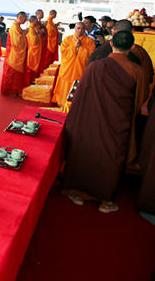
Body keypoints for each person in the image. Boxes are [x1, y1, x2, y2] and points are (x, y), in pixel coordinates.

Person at [62, 31, 149, 213]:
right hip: (118, 123)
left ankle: (77, 193)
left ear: (111, 44)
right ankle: (105, 201)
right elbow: (141, 98)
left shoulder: (95, 66)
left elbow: (81, 94)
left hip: (91, 119)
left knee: (86, 151)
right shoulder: (137, 71)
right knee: (112, 156)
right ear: (132, 47)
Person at [87, 20, 154, 87]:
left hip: (100, 94)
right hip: (129, 95)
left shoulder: (99, 51)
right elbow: (147, 79)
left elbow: (88, 77)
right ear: (133, 31)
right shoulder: (139, 52)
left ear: (114, 30)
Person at [52, 22, 96, 106]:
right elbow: (63, 52)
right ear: (75, 29)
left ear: (85, 29)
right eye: (78, 28)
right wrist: (74, 47)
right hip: (67, 69)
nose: (80, 30)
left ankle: (76, 105)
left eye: (83, 28)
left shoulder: (89, 41)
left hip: (80, 69)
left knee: (78, 87)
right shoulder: (67, 39)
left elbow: (91, 54)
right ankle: (62, 102)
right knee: (65, 86)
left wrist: (81, 48)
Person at [0, 12, 29, 96]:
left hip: (15, 54)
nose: (25, 20)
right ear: (20, 17)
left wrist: (23, 33)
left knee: (15, 74)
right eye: (25, 18)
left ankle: (15, 90)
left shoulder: (17, 27)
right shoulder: (14, 27)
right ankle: (9, 91)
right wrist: (24, 34)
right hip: (13, 55)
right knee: (11, 73)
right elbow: (17, 42)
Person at [26, 16, 44, 83]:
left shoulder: (33, 28)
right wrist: (40, 34)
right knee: (31, 65)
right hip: (33, 50)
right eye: (36, 20)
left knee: (34, 64)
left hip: (36, 50)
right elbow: (34, 41)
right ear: (32, 21)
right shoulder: (31, 29)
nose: (37, 22)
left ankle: (32, 79)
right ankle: (29, 80)